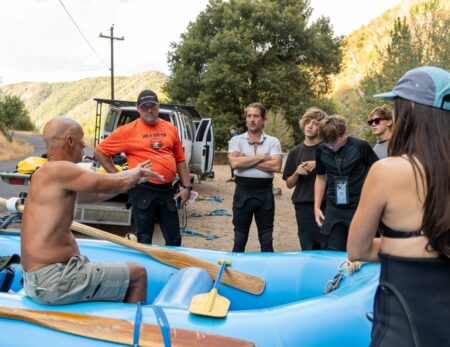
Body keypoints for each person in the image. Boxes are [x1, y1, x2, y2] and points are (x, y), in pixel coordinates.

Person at [348, 66, 450, 347]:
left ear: (411, 110)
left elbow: (357, 249)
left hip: (403, 327)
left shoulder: (387, 172)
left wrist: (400, 246)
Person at [21, 117, 160, 305]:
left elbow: (94, 195)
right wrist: (135, 173)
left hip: (43, 278)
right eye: (81, 140)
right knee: (138, 274)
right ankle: (128, 333)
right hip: (55, 279)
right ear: (69, 141)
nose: (84, 145)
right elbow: (115, 182)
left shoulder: (45, 172)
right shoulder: (60, 169)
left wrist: (129, 182)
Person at [95, 90, 192, 246]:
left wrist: (187, 186)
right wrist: (120, 177)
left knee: (174, 238)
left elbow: (180, 159)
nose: (149, 110)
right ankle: (145, 270)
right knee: (144, 238)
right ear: (138, 108)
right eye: (144, 107)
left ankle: (172, 269)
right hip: (142, 190)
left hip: (168, 191)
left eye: (152, 106)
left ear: (158, 106)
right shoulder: (127, 131)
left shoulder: (170, 128)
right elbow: (100, 151)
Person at [314, 115, 378, 251]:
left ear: (343, 134)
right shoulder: (321, 150)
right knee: (333, 249)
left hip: (359, 206)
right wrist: (317, 207)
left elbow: (378, 172)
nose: (330, 146)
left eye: (334, 142)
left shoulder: (361, 146)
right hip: (334, 206)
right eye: (327, 143)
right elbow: (320, 177)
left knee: (360, 250)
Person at [228, 102, 283, 252]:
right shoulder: (236, 140)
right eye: (249, 116)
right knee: (239, 239)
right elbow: (234, 164)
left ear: (263, 120)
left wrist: (246, 158)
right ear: (246, 119)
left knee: (266, 241)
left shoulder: (273, 141)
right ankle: (234, 275)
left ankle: (268, 275)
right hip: (242, 193)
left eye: (256, 116)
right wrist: (260, 157)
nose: (252, 119)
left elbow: (276, 167)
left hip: (264, 194)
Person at [283, 107, 327, 250]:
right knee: (307, 247)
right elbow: (289, 184)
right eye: (307, 122)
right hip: (303, 206)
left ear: (321, 127)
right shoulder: (295, 152)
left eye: (315, 123)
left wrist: (319, 163)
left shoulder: (328, 149)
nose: (310, 126)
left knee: (326, 246)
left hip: (326, 205)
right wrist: (296, 172)